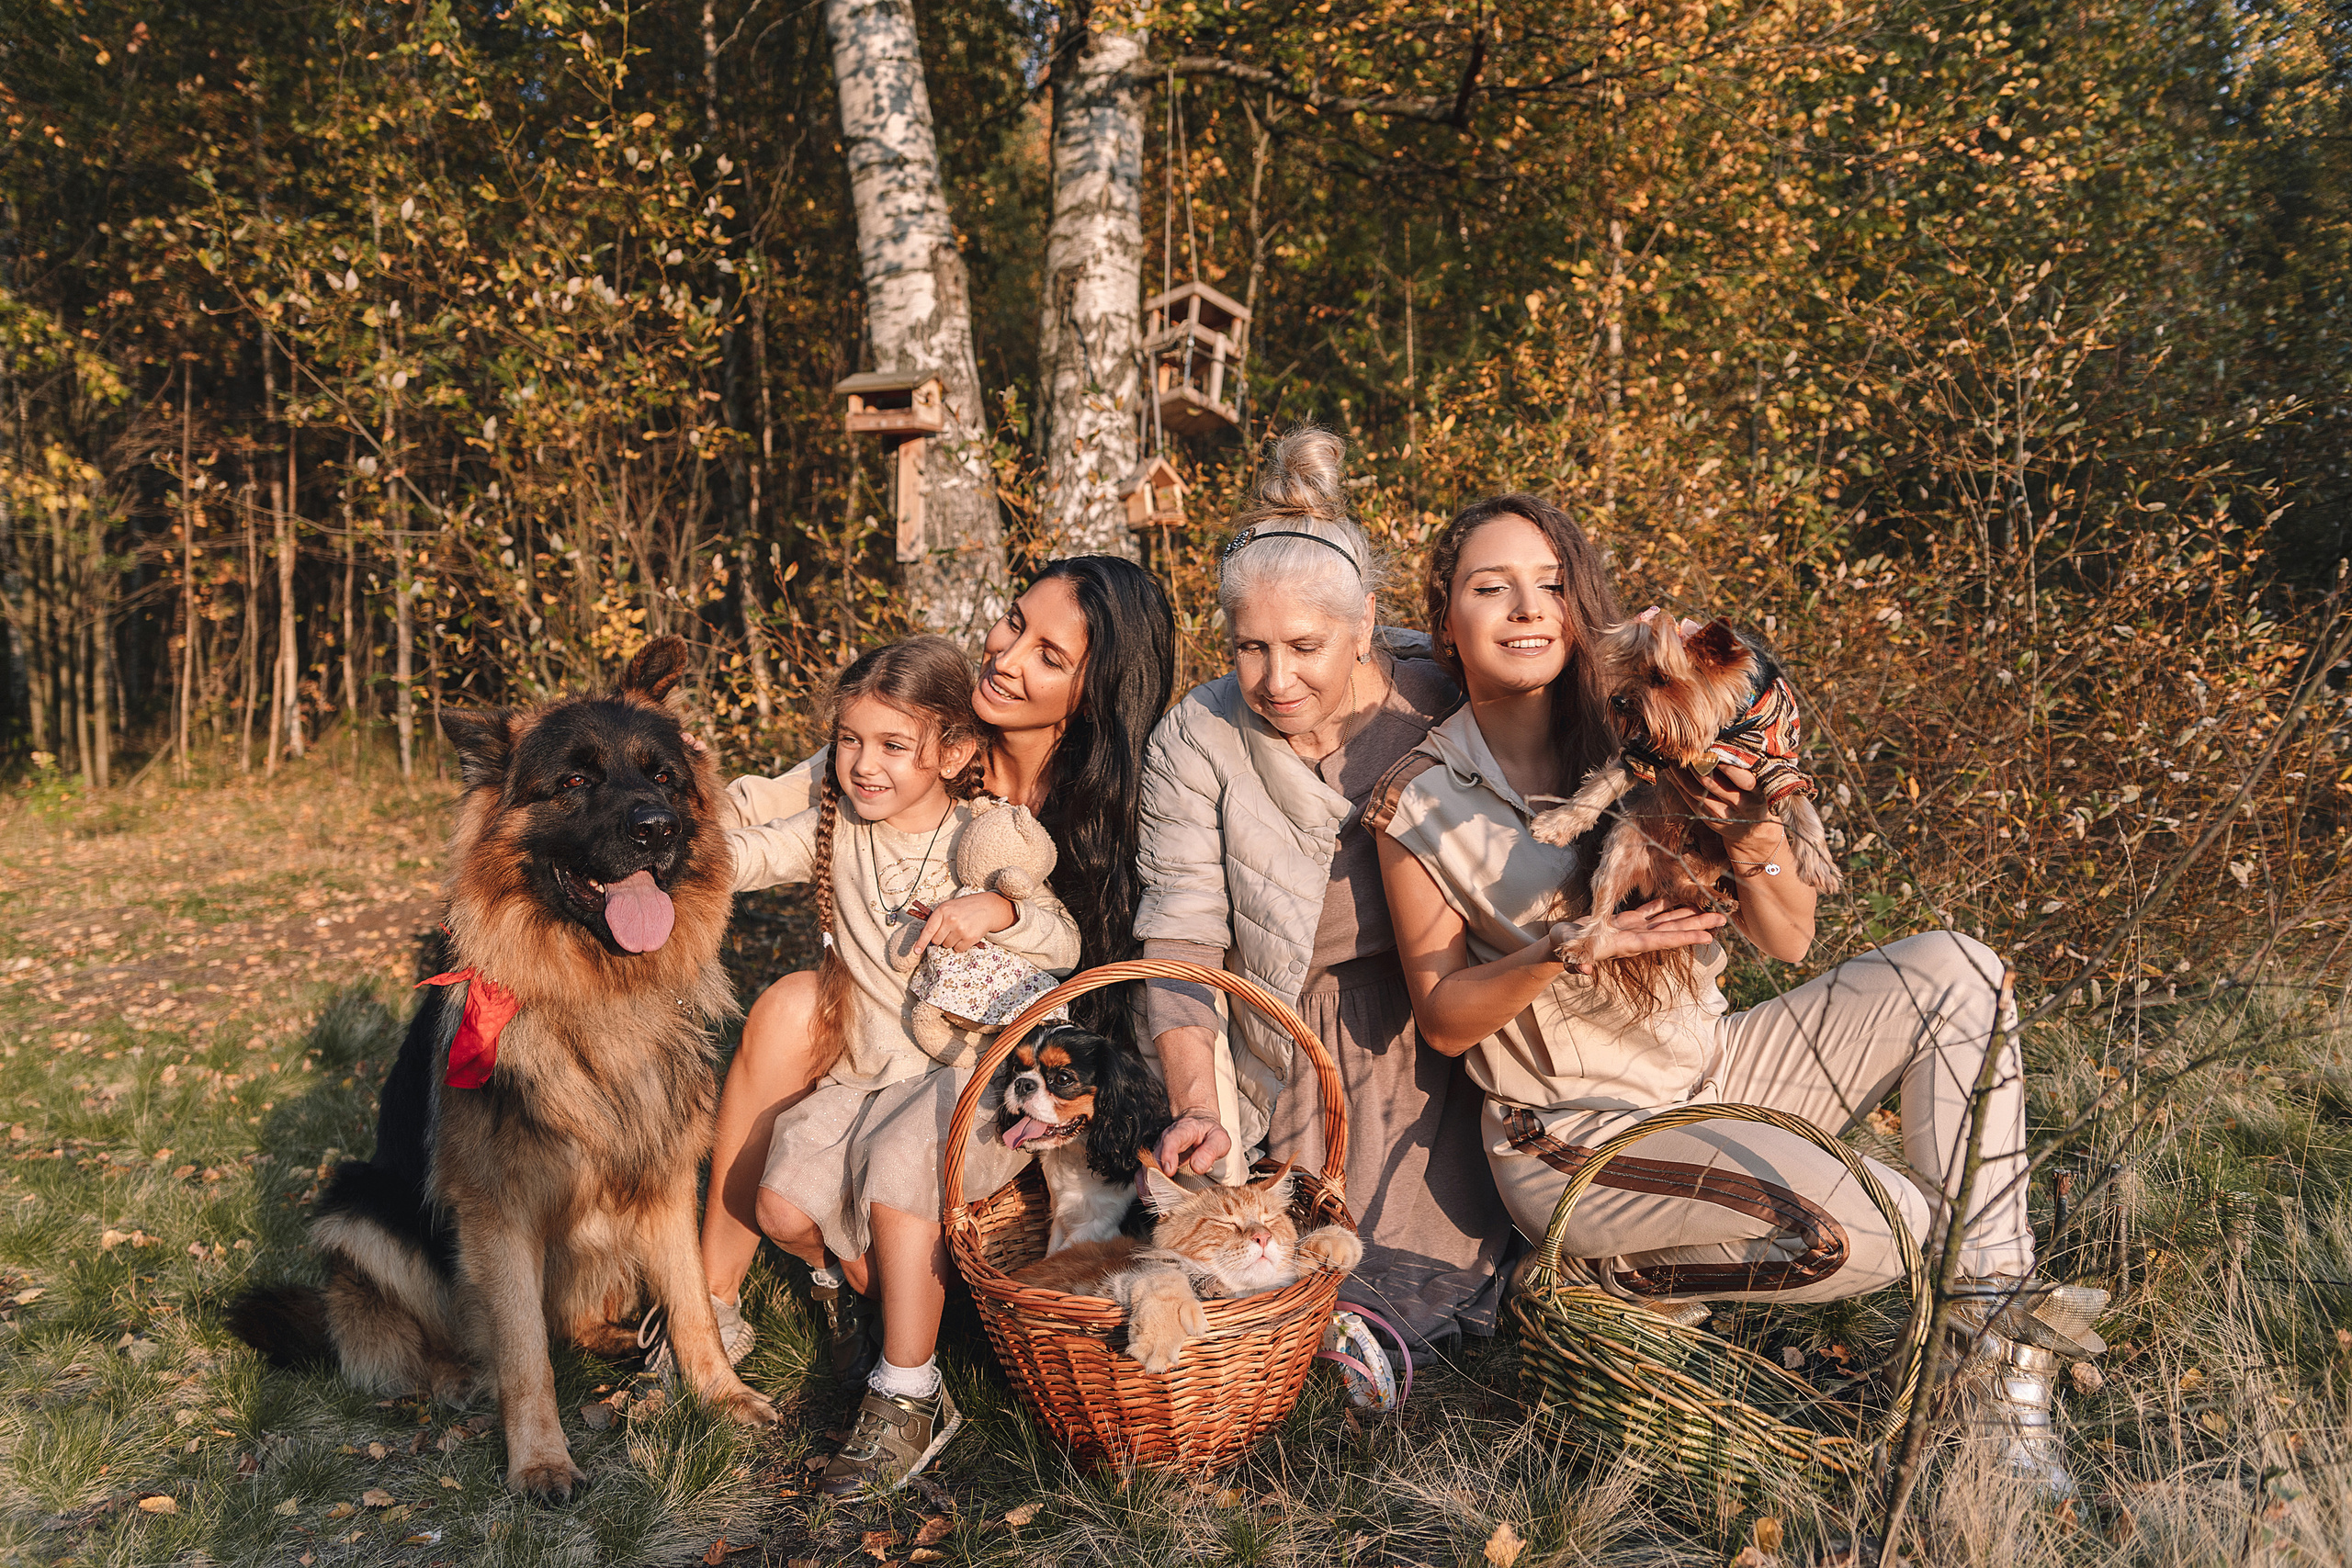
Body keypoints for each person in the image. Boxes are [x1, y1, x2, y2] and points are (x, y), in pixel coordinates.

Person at [1371, 493, 2106, 1496]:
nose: (1524, 610)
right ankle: (1598, 1283)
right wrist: (1565, 947)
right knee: (1883, 1222)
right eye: (1488, 589)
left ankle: (1993, 1375)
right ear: (1446, 619)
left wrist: (1755, 837)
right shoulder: (1418, 793)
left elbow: (1788, 936)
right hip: (1575, 1131)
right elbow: (1445, 1017)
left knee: (1959, 970)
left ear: (1581, 609)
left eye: (1548, 586)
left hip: (1712, 1064)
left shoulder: (1661, 720)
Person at [681, 558, 1175, 1391]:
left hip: (1018, 1072)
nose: (1008, 656)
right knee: (787, 1005)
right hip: (891, 1027)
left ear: (1094, 690)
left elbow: (1111, 977)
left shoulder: (1107, 811)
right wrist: (672, 790)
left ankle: (911, 1345)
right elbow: (768, 807)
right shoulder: (924, 734)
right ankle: (706, 1308)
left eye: (1049, 656)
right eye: (1014, 621)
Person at [1138, 428, 1510, 1358]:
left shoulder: (1441, 690)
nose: (1275, 679)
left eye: (1305, 646)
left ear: (1365, 623)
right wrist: (1197, 1105)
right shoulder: (1197, 736)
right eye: (1248, 649)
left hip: (1442, 998)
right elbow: (1180, 936)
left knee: (1474, 1253)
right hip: (1294, 1024)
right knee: (1312, 1253)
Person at [722, 636, 1081, 1494]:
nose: (862, 764)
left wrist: (993, 905)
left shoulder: (982, 833)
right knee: (778, 1202)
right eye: (849, 740)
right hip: (869, 1071)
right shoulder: (838, 826)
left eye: (892, 745)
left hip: (969, 1081)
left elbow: (1062, 937)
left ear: (954, 752)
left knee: (896, 1168)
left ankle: (911, 1391)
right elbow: (742, 854)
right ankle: (859, 1292)